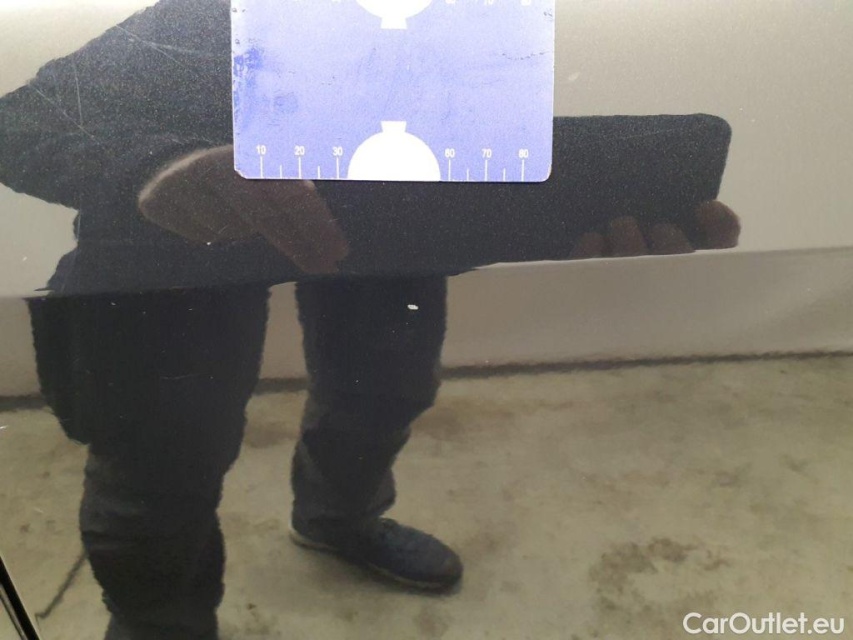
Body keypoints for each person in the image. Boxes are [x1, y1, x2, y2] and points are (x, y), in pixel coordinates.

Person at [0, 1, 741, 638]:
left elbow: (476, 190)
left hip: (373, 247)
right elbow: (16, 123)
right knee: (156, 459)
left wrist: (558, 224)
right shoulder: (204, 17)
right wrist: (151, 169)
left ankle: (336, 521)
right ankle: (159, 624)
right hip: (163, 261)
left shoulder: (458, 28)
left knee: (383, 390)